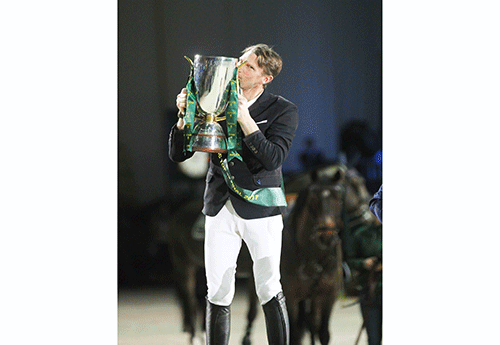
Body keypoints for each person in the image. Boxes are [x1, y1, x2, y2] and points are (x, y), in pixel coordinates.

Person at [169, 44, 298, 345]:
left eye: (249, 66)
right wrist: (182, 115)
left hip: (260, 207)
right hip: (219, 205)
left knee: (268, 286)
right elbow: (178, 154)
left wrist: (245, 119)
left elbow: (273, 159)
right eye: (240, 61)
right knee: (217, 290)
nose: (239, 68)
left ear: (265, 78)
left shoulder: (283, 109)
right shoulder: (214, 99)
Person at [345, 223, 382, 345]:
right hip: (369, 292)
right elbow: (350, 260)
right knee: (373, 337)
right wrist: (363, 263)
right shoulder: (361, 234)